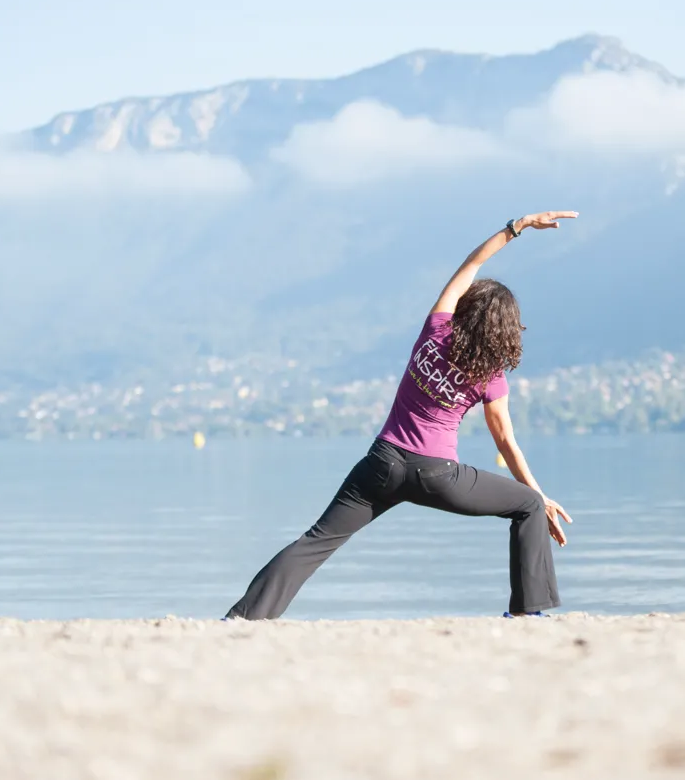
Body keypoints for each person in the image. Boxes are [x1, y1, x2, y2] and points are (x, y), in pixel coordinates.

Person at [225, 211, 578, 620]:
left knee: (316, 540)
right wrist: (539, 495)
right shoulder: (490, 375)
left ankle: (244, 618)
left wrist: (517, 227)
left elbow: (471, 264)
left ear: (466, 308)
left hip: (381, 464)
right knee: (528, 504)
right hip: (437, 476)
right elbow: (506, 442)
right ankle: (527, 615)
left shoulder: (435, 330)